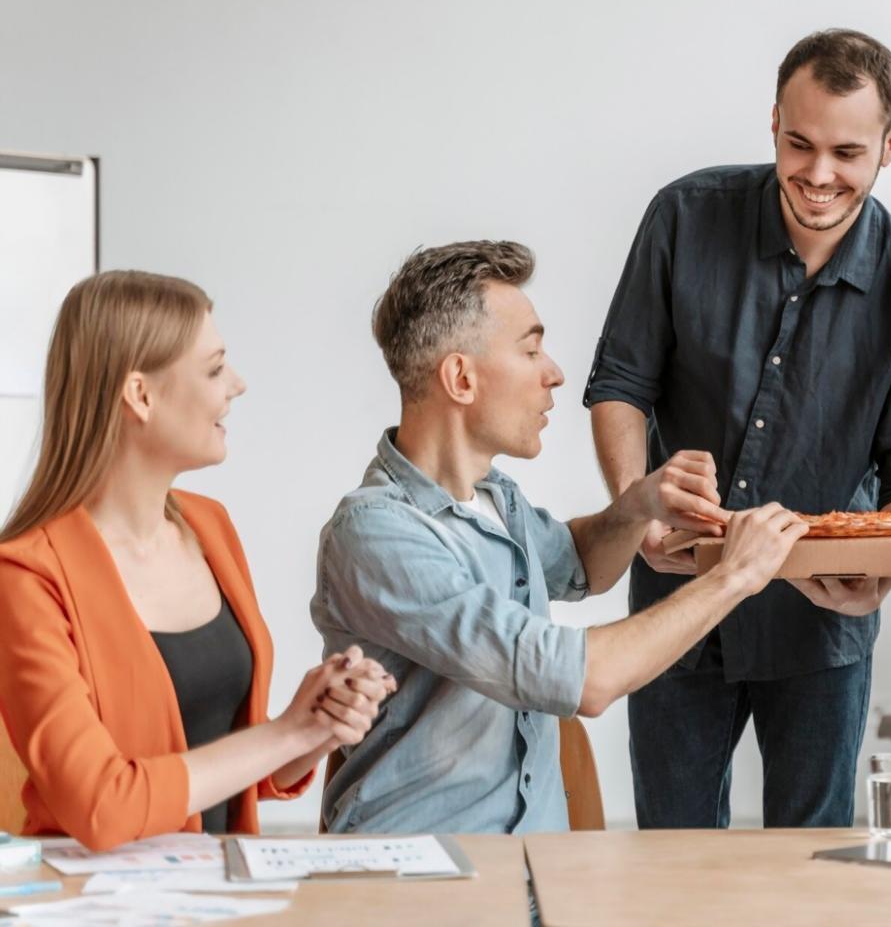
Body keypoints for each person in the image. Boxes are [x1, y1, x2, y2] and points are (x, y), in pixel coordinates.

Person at [585, 28, 891, 829]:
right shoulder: (683, 217)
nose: (818, 174)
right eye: (800, 143)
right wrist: (632, 503)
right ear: (772, 124)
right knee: (673, 858)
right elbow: (621, 382)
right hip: (675, 602)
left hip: (820, 630)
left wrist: (879, 580)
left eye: (847, 152)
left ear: (890, 145)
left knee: (810, 868)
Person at [312, 240, 805, 834]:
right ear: (461, 378)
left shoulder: (497, 498)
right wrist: (735, 578)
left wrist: (638, 504)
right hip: (420, 882)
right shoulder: (377, 534)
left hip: (532, 876)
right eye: (531, 349)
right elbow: (582, 679)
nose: (555, 374)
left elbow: (581, 564)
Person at [0, 271, 392, 851]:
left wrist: (317, 725)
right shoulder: (27, 577)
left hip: (215, 889)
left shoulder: (210, 526)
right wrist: (286, 733)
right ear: (140, 395)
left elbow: (232, 772)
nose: (237, 385)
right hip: (92, 905)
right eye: (213, 369)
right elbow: (102, 806)